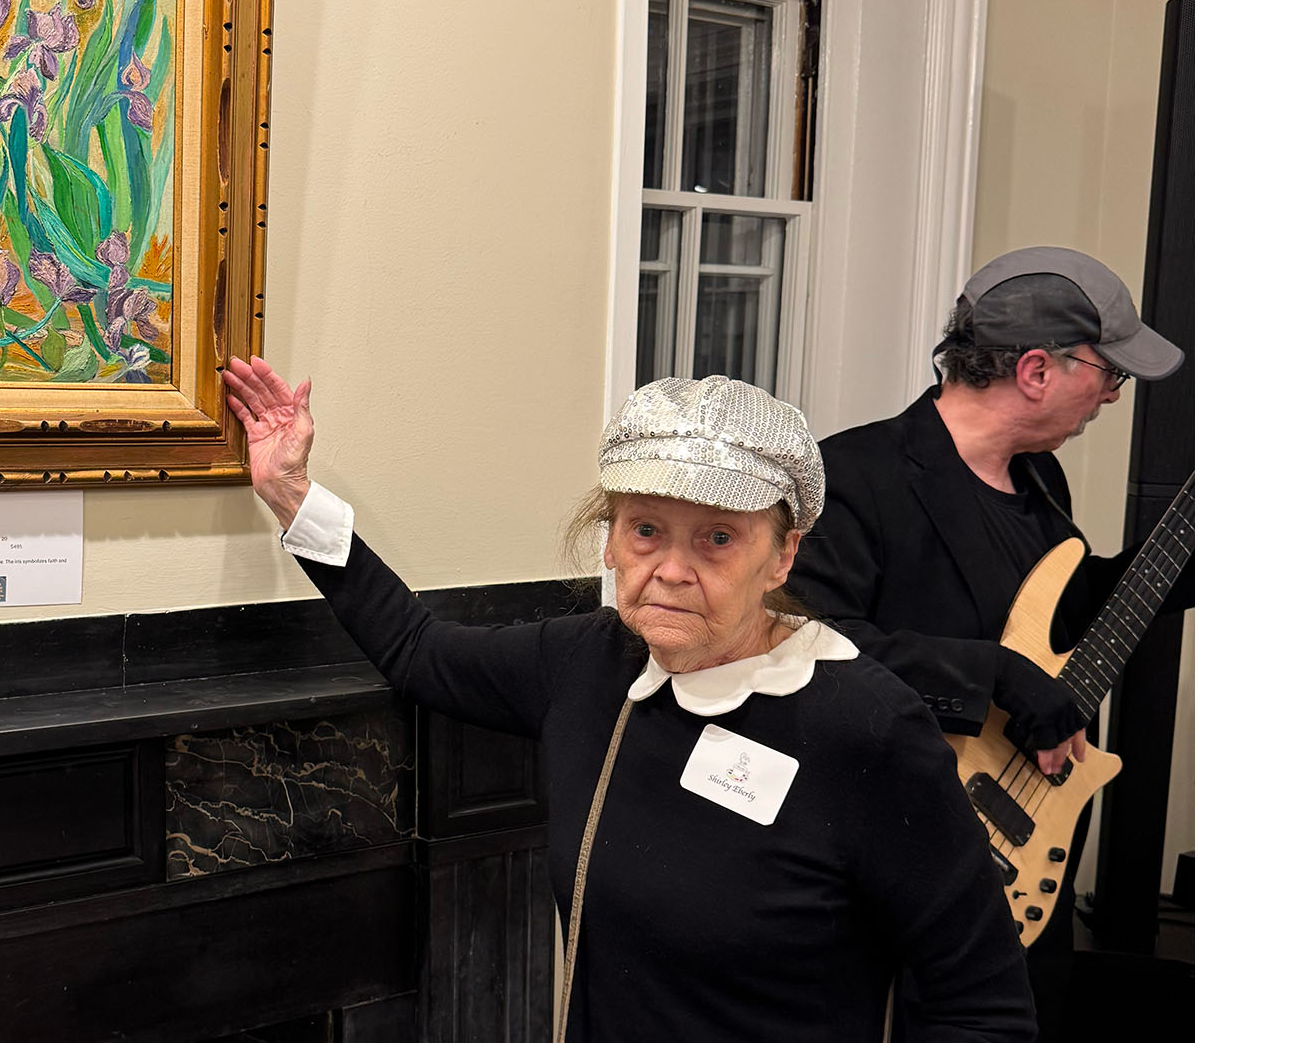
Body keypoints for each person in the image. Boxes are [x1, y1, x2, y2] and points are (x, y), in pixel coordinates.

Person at [222, 357, 1034, 1043]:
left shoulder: (867, 726)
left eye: (718, 538)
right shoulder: (588, 662)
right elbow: (419, 652)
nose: (672, 570)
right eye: (646, 530)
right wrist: (292, 493)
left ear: (783, 556)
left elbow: (983, 1007)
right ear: (610, 540)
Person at [785, 245, 1190, 1040]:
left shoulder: (1040, 479)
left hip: (1031, 850)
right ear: (1036, 370)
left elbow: (1064, 615)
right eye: (1109, 371)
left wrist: (1183, 558)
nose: (1114, 393)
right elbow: (805, 640)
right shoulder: (853, 475)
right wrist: (993, 676)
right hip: (901, 859)